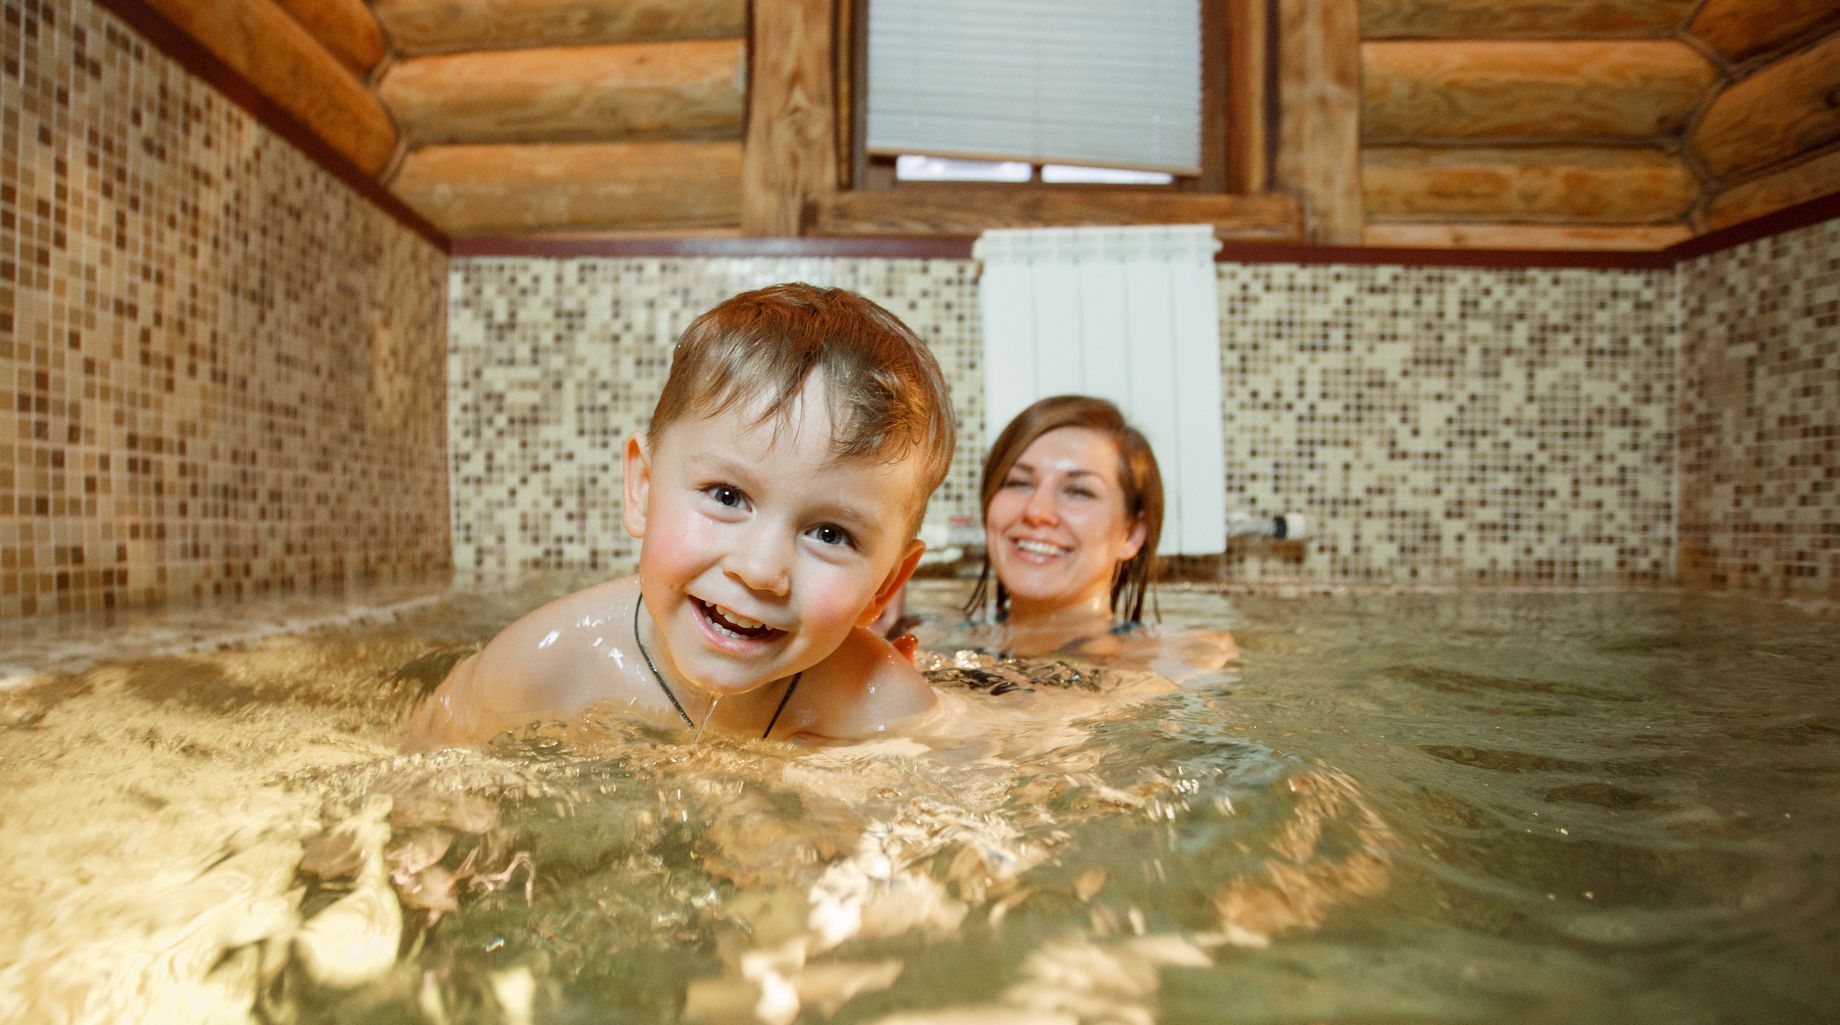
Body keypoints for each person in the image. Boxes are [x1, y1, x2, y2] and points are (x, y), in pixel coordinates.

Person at [410, 284, 957, 747]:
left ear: (885, 587)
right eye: (727, 497)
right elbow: (415, 768)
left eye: (830, 534)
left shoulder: (883, 706)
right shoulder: (541, 666)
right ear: (642, 491)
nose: (759, 570)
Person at [955, 395, 1233, 674]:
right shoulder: (945, 635)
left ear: (1131, 534)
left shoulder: (1181, 656)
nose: (1037, 511)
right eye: (1019, 483)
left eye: (1078, 491)